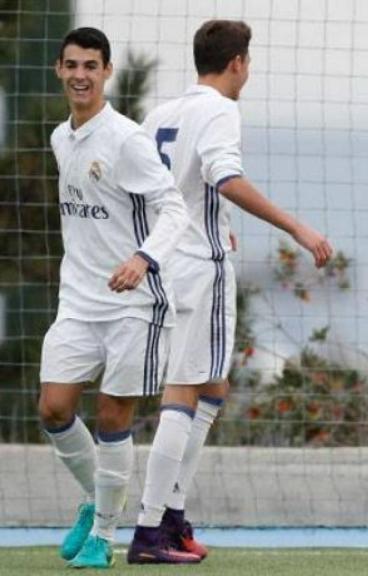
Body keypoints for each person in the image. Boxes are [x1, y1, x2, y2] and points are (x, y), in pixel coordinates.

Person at [127, 19, 333, 564]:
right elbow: (225, 178)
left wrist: (204, 222)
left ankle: (172, 516)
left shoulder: (160, 114)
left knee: (211, 387)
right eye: (249, 61)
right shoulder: (220, 110)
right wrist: (296, 228)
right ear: (237, 62)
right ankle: (149, 531)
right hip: (200, 268)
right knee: (186, 391)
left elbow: (155, 193)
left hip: (166, 262)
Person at [39, 26, 189, 569]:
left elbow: (175, 208)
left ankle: (103, 535)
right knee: (54, 408)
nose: (81, 75)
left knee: (111, 416)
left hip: (134, 303)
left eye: (91, 66)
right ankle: (95, 499)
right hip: (78, 301)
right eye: (71, 64)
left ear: (106, 72)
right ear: (60, 69)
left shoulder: (126, 139)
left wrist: (142, 258)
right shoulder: (61, 138)